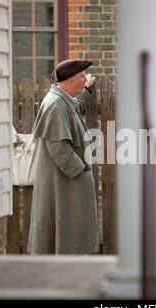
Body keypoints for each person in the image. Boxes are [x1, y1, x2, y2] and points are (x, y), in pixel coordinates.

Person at [27, 59, 99, 254]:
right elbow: (59, 149)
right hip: (65, 183)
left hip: (67, 182)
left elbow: (74, 106)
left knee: (70, 228)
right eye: (81, 77)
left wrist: (86, 90)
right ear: (68, 80)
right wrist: (81, 170)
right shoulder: (55, 105)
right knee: (65, 229)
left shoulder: (62, 99)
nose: (85, 79)